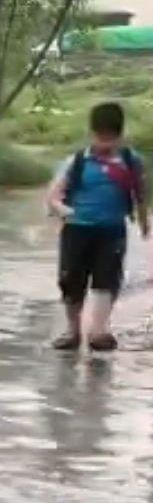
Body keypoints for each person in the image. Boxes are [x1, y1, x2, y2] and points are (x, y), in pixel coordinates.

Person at [45, 102, 149, 352]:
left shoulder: (131, 161)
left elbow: (141, 194)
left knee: (107, 280)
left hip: (112, 231)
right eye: (100, 136)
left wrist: (144, 221)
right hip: (77, 230)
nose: (105, 142)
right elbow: (53, 196)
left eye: (110, 137)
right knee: (71, 280)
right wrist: (64, 211)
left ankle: (98, 331)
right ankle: (73, 330)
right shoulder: (77, 161)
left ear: (120, 135)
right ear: (92, 133)